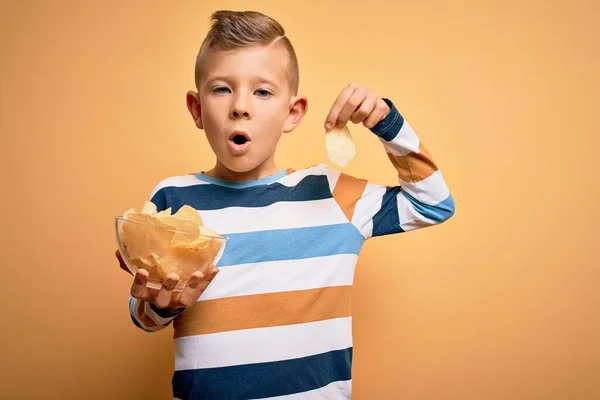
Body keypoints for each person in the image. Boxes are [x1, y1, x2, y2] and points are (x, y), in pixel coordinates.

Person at [116, 9, 455, 400]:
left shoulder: (332, 195)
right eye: (222, 89)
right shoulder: (173, 200)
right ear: (197, 109)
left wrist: (385, 122)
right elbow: (143, 315)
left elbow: (433, 204)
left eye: (262, 91)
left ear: (291, 113)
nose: (240, 106)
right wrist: (161, 305)